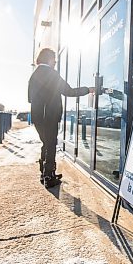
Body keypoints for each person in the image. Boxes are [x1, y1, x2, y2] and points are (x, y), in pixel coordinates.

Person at [28, 48, 94, 188]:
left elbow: (30, 98)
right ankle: (48, 177)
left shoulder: (34, 75)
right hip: (50, 116)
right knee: (51, 144)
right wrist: (87, 89)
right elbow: (69, 91)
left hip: (38, 116)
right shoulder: (52, 74)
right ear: (49, 59)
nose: (55, 62)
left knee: (46, 143)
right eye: (54, 59)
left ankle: (45, 172)